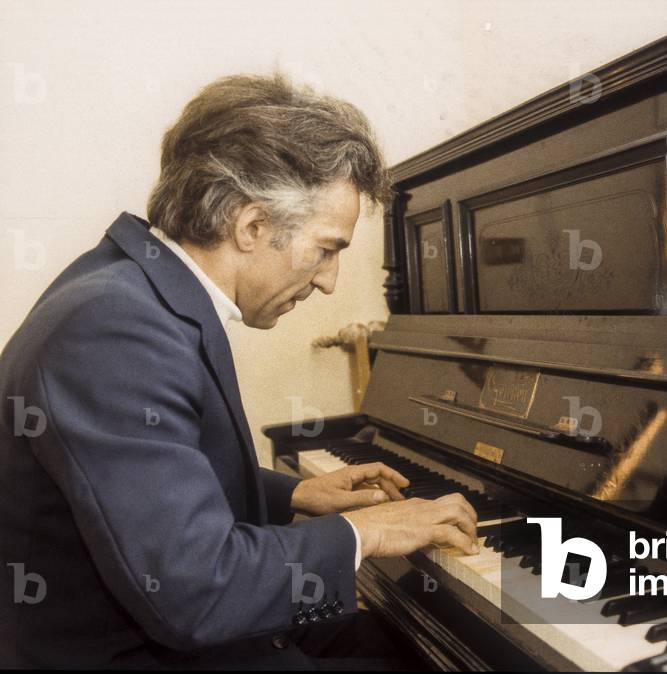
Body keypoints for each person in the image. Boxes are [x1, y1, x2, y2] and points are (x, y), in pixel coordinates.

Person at [0, 73, 478, 668]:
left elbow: (149, 479)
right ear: (251, 226)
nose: (329, 281)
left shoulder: (134, 290)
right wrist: (370, 532)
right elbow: (196, 593)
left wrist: (295, 492)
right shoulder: (115, 330)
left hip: (160, 621)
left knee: (390, 636)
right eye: (327, 249)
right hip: (141, 647)